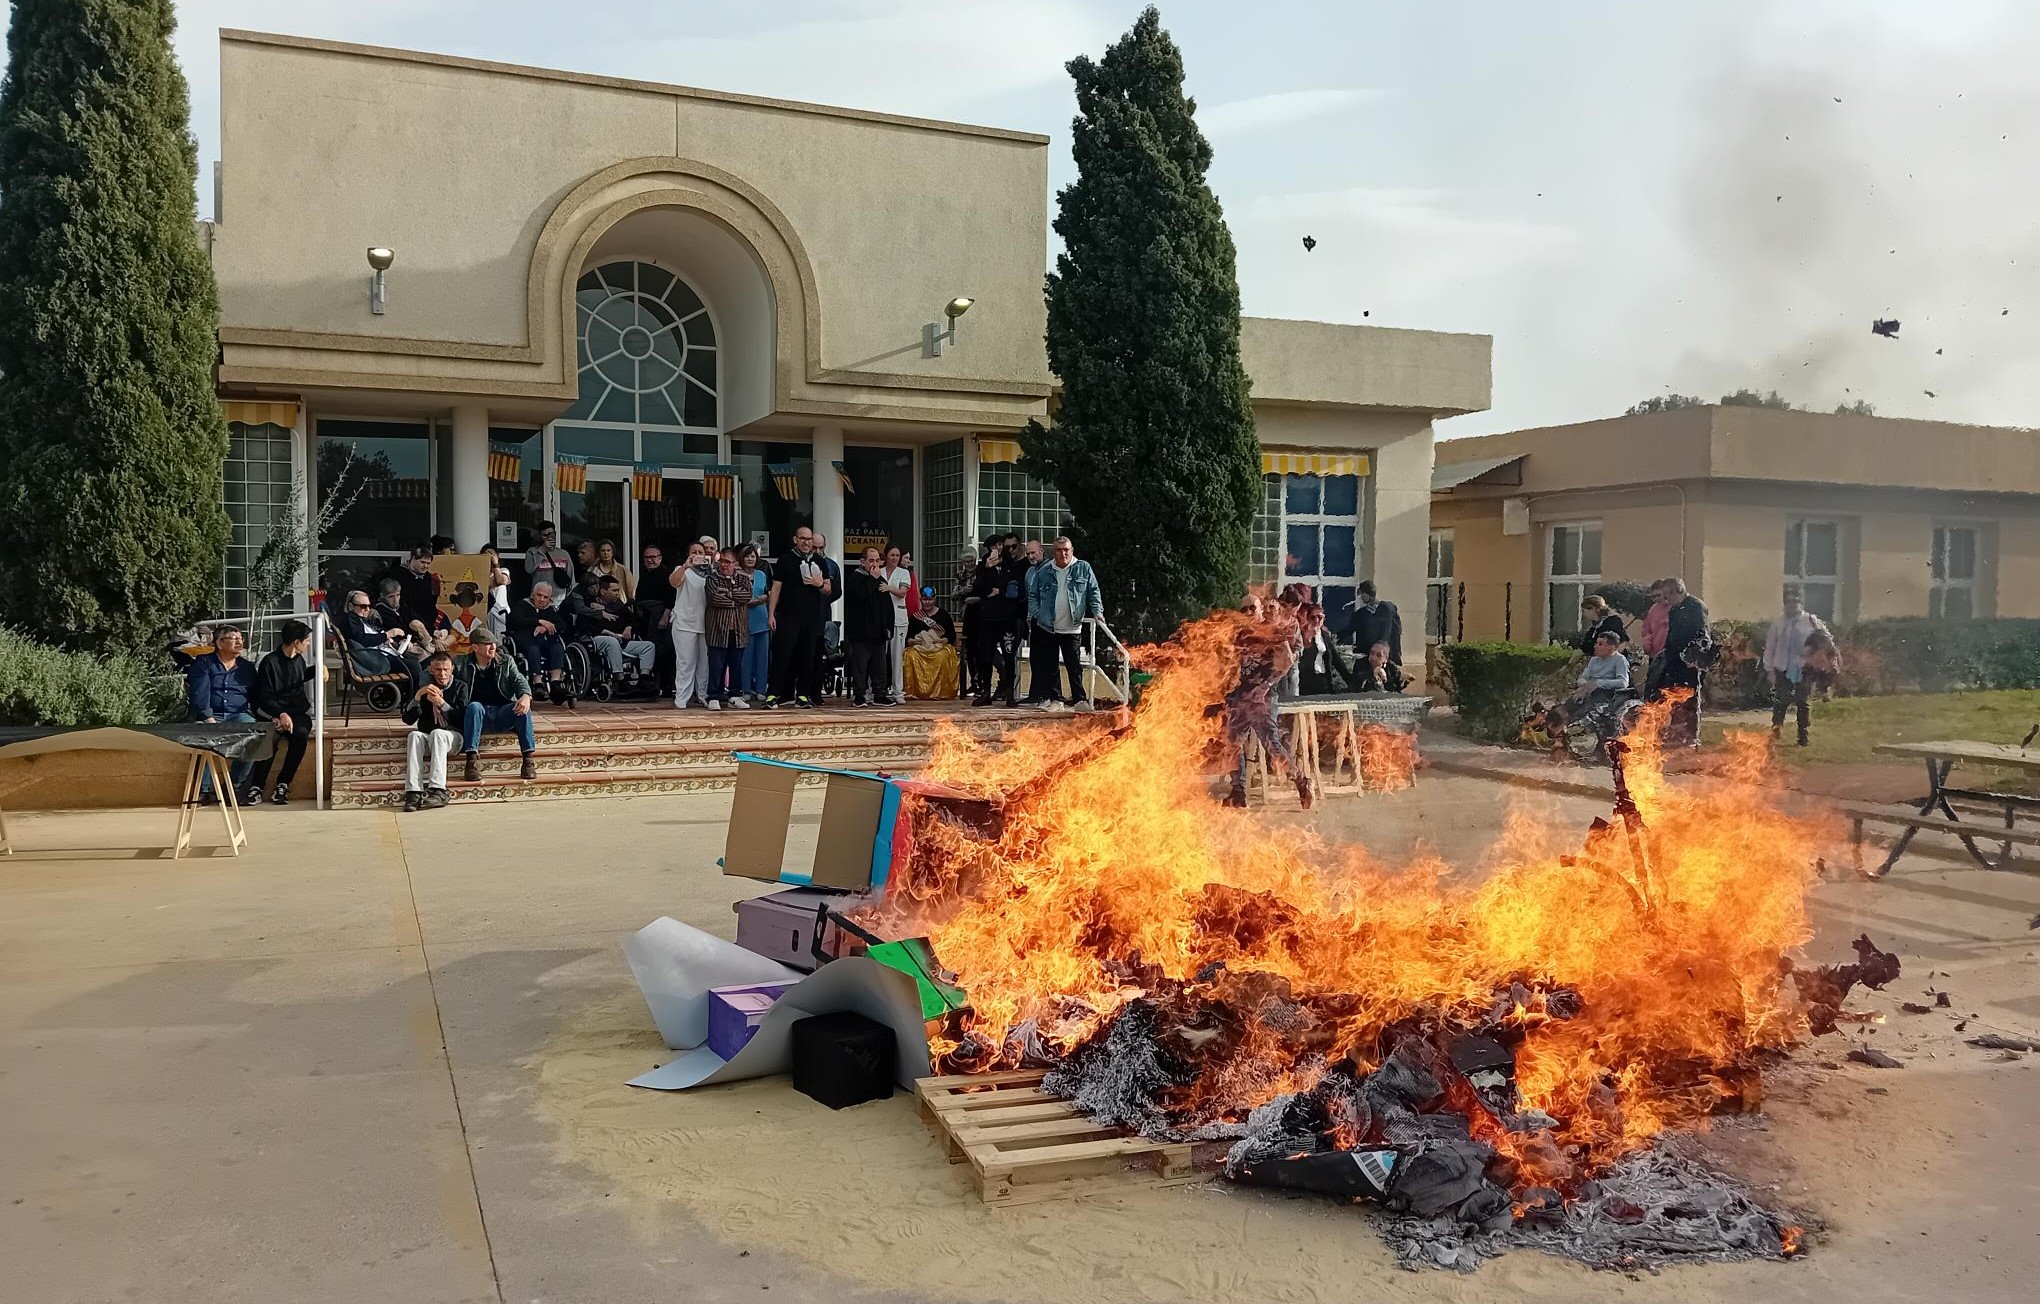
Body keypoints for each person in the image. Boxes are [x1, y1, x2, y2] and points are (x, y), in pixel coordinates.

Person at [1225, 596, 1313, 809]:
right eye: (1243, 608)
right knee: (1232, 744)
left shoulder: (1272, 632)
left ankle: (1301, 781)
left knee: (1271, 744)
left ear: (1260, 610)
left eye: (1251, 608)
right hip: (1242, 697)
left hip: (1262, 699)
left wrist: (1263, 687)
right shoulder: (1240, 636)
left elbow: (1287, 663)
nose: (1247, 612)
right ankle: (1238, 791)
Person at [1025, 536, 1103, 709]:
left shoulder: (1083, 568)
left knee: (1074, 666)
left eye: (1066, 550)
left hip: (1072, 627)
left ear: (1072, 550)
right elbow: (1033, 595)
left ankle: (1079, 699)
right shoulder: (1044, 571)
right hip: (1049, 626)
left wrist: (1098, 612)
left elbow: (1093, 591)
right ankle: (1056, 699)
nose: (1063, 553)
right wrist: (1038, 614)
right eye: (1059, 550)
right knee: (1050, 665)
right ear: (1054, 552)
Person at [185, 624, 261, 805]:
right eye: (233, 639)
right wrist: (210, 719)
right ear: (219, 643)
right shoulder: (204, 663)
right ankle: (202, 791)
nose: (239, 643)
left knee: (254, 733)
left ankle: (233, 787)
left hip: (237, 715)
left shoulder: (247, 668)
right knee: (201, 736)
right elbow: (199, 694)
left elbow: (257, 696)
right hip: (210, 716)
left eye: (240, 639)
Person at [250, 618, 317, 805]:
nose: (309, 643)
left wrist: (319, 670)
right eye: (307, 640)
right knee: (268, 739)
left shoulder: (298, 659)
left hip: (296, 713)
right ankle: (256, 787)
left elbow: (299, 678)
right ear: (297, 642)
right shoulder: (269, 662)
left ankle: (283, 784)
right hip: (272, 711)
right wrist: (279, 714)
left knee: (300, 736)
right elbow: (265, 696)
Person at [456, 628, 537, 782]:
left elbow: (519, 680)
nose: (493, 647)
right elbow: (436, 672)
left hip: (501, 712)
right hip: (477, 715)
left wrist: (526, 696)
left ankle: (528, 759)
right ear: (475, 648)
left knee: (523, 708)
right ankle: (471, 762)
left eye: (493, 643)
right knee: (474, 707)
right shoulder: (460, 663)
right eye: (487, 644)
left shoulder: (506, 661)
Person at [766, 526, 829, 708]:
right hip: (787, 616)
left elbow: (828, 588)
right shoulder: (785, 560)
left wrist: (818, 584)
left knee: (807, 657)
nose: (806, 542)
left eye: (809, 539)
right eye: (803, 538)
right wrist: (771, 614)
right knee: (782, 655)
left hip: (811, 617)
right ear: (796, 539)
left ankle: (803, 695)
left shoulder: (819, 561)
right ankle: (773, 695)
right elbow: (776, 588)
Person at [1763, 585, 1830, 748]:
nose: (1792, 605)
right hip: (1783, 667)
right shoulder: (1778, 623)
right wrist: (1769, 669)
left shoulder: (1811, 621)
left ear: (1802, 603)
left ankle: (1803, 736)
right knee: (1780, 701)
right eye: (1789, 602)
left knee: (1802, 702)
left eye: (1796, 601)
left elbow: (1825, 641)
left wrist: (1814, 653)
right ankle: (1776, 731)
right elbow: (1770, 646)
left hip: (1804, 668)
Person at [401, 651, 467, 811]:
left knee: (438, 733)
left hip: (454, 737)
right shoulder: (425, 689)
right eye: (438, 670)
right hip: (430, 737)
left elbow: (462, 720)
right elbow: (408, 719)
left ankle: (438, 790)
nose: (442, 674)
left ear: (452, 669)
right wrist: (418, 696)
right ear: (431, 670)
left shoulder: (461, 687)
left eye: (446, 669)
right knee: (414, 735)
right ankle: (413, 792)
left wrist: (442, 704)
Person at [1546, 629, 1630, 734]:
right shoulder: (1594, 660)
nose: (1596, 646)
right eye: (1596, 643)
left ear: (1611, 648)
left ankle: (1575, 730)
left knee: (1585, 709)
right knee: (1566, 706)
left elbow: (1623, 682)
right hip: (1587, 690)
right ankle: (1558, 728)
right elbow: (1583, 677)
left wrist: (1598, 683)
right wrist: (1584, 685)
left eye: (1600, 644)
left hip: (1608, 694)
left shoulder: (1620, 660)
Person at [1659, 577, 1711, 746]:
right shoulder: (1674, 610)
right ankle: (1676, 733)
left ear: (1678, 591)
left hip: (1690, 662)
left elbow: (1703, 634)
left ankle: (1690, 737)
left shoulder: (1695, 607)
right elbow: (1672, 633)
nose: (1666, 600)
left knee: (1689, 698)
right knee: (1672, 697)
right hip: (1673, 659)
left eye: (1668, 596)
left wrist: (1694, 654)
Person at [970, 539, 1022, 707]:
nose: (997, 549)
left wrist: (999, 591)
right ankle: (986, 692)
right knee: (985, 656)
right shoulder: (982, 566)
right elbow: (978, 588)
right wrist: (986, 569)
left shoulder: (1011, 564)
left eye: (1000, 545)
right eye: (993, 547)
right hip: (987, 617)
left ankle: (1009, 693)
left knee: (1009, 655)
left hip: (1008, 618)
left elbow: (1016, 588)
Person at [336, 589, 421, 688]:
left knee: (417, 660)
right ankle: (412, 699)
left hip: (380, 654)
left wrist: (387, 638)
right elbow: (362, 639)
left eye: (368, 606)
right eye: (363, 606)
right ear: (350, 606)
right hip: (375, 660)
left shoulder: (360, 619)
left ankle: (407, 696)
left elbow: (369, 635)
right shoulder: (350, 619)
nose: (367, 609)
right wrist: (388, 634)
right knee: (414, 667)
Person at [844, 546, 896, 706]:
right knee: (860, 665)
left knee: (879, 665)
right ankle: (859, 695)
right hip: (861, 631)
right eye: (871, 560)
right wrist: (872, 579)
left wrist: (889, 626)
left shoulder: (881, 580)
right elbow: (859, 597)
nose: (875, 564)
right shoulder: (855, 578)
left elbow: (887, 605)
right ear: (862, 561)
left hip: (879, 631)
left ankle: (880, 693)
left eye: (877, 561)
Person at [508, 582, 573, 704]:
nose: (542, 599)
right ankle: (538, 683)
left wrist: (547, 627)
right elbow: (517, 621)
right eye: (539, 595)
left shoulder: (550, 610)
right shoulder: (522, 605)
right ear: (533, 594)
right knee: (533, 649)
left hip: (546, 643)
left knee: (558, 648)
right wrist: (539, 621)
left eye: (546, 597)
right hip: (526, 642)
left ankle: (556, 683)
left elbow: (562, 625)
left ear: (550, 598)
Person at [703, 547, 752, 710]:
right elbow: (714, 598)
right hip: (718, 629)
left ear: (735, 563)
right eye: (721, 560)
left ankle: (735, 695)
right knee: (716, 664)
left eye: (727, 562)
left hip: (738, 630)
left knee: (737, 664)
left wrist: (728, 594)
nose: (724, 565)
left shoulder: (744, 578)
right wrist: (734, 599)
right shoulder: (712, 578)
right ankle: (714, 696)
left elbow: (747, 596)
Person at [668, 542, 713, 708]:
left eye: (701, 551)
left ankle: (703, 695)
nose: (698, 554)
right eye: (694, 551)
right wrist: (686, 566)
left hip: (706, 623)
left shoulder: (711, 572)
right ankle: (682, 697)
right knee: (685, 662)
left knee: (705, 663)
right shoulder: (682, 569)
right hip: (685, 623)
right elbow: (673, 582)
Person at [589, 575, 657, 683]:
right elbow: (585, 626)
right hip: (600, 640)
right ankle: (619, 679)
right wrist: (606, 632)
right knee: (612, 641)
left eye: (618, 590)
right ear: (602, 591)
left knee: (649, 646)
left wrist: (629, 627)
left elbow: (634, 621)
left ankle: (644, 679)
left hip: (622, 641)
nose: (617, 593)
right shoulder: (591, 606)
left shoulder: (620, 606)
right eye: (614, 590)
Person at [635, 543, 676, 694]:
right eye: (646, 557)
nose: (650, 560)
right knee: (651, 650)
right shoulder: (645, 574)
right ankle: (653, 683)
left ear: (660, 558)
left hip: (659, 617)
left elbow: (670, 598)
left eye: (653, 557)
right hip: (646, 617)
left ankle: (666, 685)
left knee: (663, 651)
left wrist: (664, 617)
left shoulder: (666, 575)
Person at [810, 533, 843, 698]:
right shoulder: (804, 563)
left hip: (823, 613)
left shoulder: (832, 565)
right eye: (814, 547)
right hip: (805, 614)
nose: (817, 551)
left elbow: (837, 591)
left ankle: (816, 693)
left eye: (820, 547)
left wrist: (824, 597)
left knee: (819, 653)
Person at [739, 544, 771, 703]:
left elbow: (768, 594)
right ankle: (745, 689)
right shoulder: (737, 574)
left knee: (762, 657)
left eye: (752, 556)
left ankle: (760, 689)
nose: (750, 559)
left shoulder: (761, 574)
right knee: (746, 658)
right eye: (747, 556)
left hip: (762, 619)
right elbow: (739, 599)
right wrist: (758, 600)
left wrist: (762, 599)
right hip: (744, 620)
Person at [882, 545, 914, 703]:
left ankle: (898, 692)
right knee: (879, 656)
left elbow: (903, 593)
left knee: (896, 656)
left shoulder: (904, 573)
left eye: (897, 555)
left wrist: (888, 588)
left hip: (898, 619)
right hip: (881, 620)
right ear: (886, 556)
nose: (894, 558)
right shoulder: (879, 572)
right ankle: (877, 690)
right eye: (891, 555)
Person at [1347, 581, 1403, 665]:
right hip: (1368, 656)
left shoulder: (1387, 609)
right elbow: (1350, 628)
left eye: (1362, 594)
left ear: (1366, 594)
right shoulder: (1361, 613)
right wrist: (1334, 636)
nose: (1361, 597)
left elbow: (1389, 629)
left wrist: (1382, 646)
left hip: (1385, 655)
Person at [955, 543, 984, 698]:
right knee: (970, 652)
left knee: (981, 651)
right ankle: (974, 682)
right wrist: (962, 591)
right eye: (966, 562)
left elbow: (987, 593)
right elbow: (953, 596)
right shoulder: (961, 575)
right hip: (967, 616)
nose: (970, 564)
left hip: (981, 614)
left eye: (972, 561)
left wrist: (977, 598)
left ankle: (981, 682)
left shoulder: (982, 572)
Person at [1640, 580, 1672, 697]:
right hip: (1655, 655)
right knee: (1653, 686)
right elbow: (1646, 629)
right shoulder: (1653, 609)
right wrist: (1647, 643)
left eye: (1658, 595)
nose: (1656, 599)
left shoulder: (1676, 607)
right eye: (1653, 596)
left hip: (1671, 655)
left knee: (1668, 688)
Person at [525, 522, 573, 598]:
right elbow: (529, 569)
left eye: (551, 534)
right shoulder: (532, 552)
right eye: (545, 535)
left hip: (559, 599)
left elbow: (571, 578)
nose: (549, 537)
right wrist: (543, 549)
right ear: (540, 536)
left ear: (555, 534)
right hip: (540, 599)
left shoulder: (564, 554)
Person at [479, 545, 513, 641]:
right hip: (485, 612)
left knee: (499, 641)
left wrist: (495, 563)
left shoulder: (503, 570)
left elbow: (500, 580)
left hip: (500, 613)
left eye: (492, 555)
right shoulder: (480, 574)